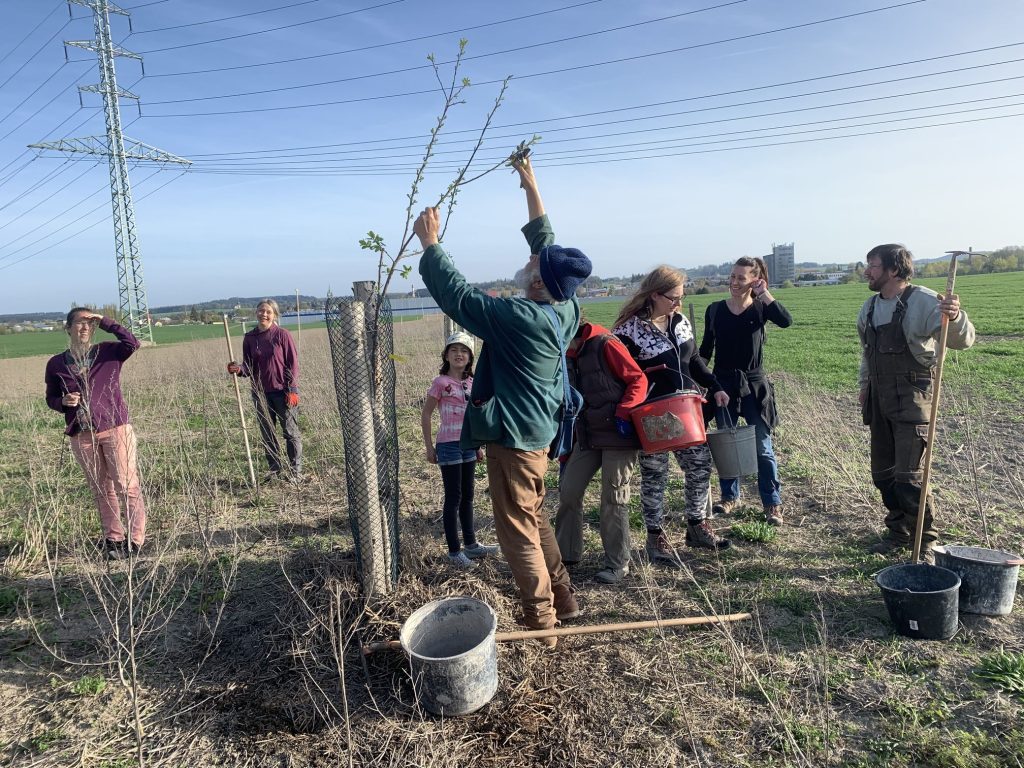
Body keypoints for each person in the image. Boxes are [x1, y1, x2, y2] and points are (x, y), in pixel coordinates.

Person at [416, 154, 591, 647]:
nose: (531, 258)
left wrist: (431, 245)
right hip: (539, 436)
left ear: (537, 280)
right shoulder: (566, 305)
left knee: (516, 533)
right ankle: (564, 600)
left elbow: (460, 299)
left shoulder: (520, 317)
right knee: (533, 518)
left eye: (534, 263)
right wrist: (530, 182)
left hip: (514, 442)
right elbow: (546, 239)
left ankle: (543, 626)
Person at [857, 244, 975, 561]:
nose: (867, 270)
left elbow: (962, 340)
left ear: (894, 270)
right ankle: (897, 533)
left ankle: (925, 543)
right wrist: (863, 387)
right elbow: (867, 355)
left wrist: (956, 316)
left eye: (873, 265)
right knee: (883, 476)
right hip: (879, 400)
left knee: (909, 478)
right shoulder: (868, 307)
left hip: (913, 400)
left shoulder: (923, 301)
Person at [614, 266, 731, 559]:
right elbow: (621, 376)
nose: (678, 303)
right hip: (652, 415)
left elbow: (693, 362)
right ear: (654, 294)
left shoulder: (680, 322)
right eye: (673, 298)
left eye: (681, 297)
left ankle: (696, 526)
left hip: (687, 410)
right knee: (655, 476)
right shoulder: (628, 330)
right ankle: (655, 538)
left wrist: (714, 385)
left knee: (700, 466)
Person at [44, 308, 146, 559]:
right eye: (80, 323)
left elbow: (133, 343)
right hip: (82, 434)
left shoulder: (108, 352)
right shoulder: (57, 363)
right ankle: (114, 538)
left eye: (90, 324)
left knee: (126, 484)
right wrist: (63, 402)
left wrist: (106, 322)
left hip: (115, 427)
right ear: (68, 328)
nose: (85, 328)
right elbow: (50, 398)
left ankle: (135, 539)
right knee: (101, 488)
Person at [699, 257, 793, 525]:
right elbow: (706, 350)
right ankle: (730, 497)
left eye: (741, 277)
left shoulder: (761, 309)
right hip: (722, 386)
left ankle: (772, 503)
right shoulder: (715, 309)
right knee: (726, 443)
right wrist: (697, 379)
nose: (734, 282)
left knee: (762, 446)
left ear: (755, 279)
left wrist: (764, 293)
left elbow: (786, 321)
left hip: (754, 386)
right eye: (732, 276)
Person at [555, 319, 647, 584]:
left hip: (618, 434)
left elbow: (637, 379)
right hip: (588, 435)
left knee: (613, 497)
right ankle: (567, 555)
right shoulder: (564, 355)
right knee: (569, 490)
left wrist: (624, 412)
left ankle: (618, 564)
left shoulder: (605, 344)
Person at [421, 330, 499, 568]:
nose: (459, 354)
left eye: (464, 351)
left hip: (468, 446)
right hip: (448, 446)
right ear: (446, 355)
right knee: (453, 497)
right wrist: (429, 447)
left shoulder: (472, 383)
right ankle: (454, 552)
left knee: (468, 496)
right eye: (454, 350)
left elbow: (476, 418)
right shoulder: (441, 383)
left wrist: (478, 446)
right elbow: (426, 414)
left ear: (470, 357)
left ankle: (472, 545)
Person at [227, 299, 303, 483]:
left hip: (283, 392)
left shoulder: (282, 335)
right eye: (261, 311)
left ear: (274, 315)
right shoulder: (250, 338)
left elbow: (292, 364)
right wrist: (238, 369)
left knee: (290, 432)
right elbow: (248, 366)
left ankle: (295, 472)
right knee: (268, 433)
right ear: (256, 313)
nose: (264, 314)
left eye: (268, 312)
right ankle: (274, 471)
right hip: (260, 393)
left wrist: (292, 389)